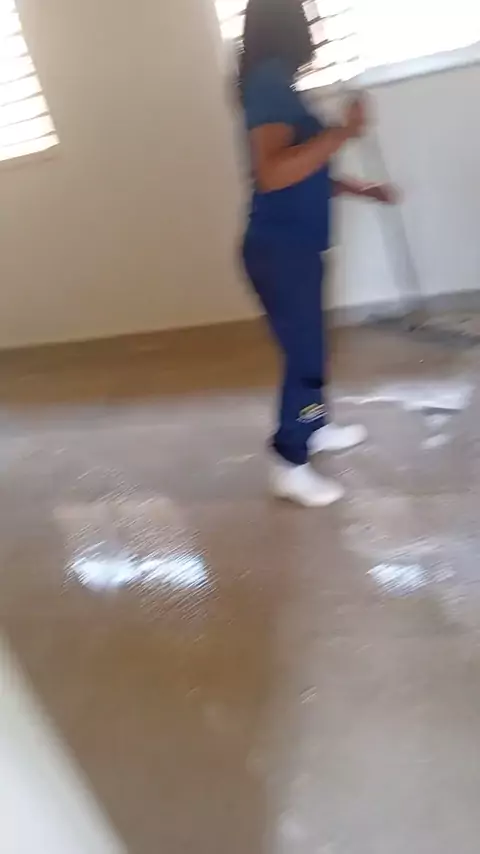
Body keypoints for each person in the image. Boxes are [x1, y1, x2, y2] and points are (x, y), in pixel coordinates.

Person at [240, 0, 396, 507]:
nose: (316, 30)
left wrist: (361, 189)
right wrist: (343, 132)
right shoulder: (266, 82)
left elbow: (303, 172)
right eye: (308, 19)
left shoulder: (280, 88)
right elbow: (274, 172)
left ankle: (316, 425)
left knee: (311, 348)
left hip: (296, 246)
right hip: (280, 249)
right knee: (305, 354)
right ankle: (289, 460)